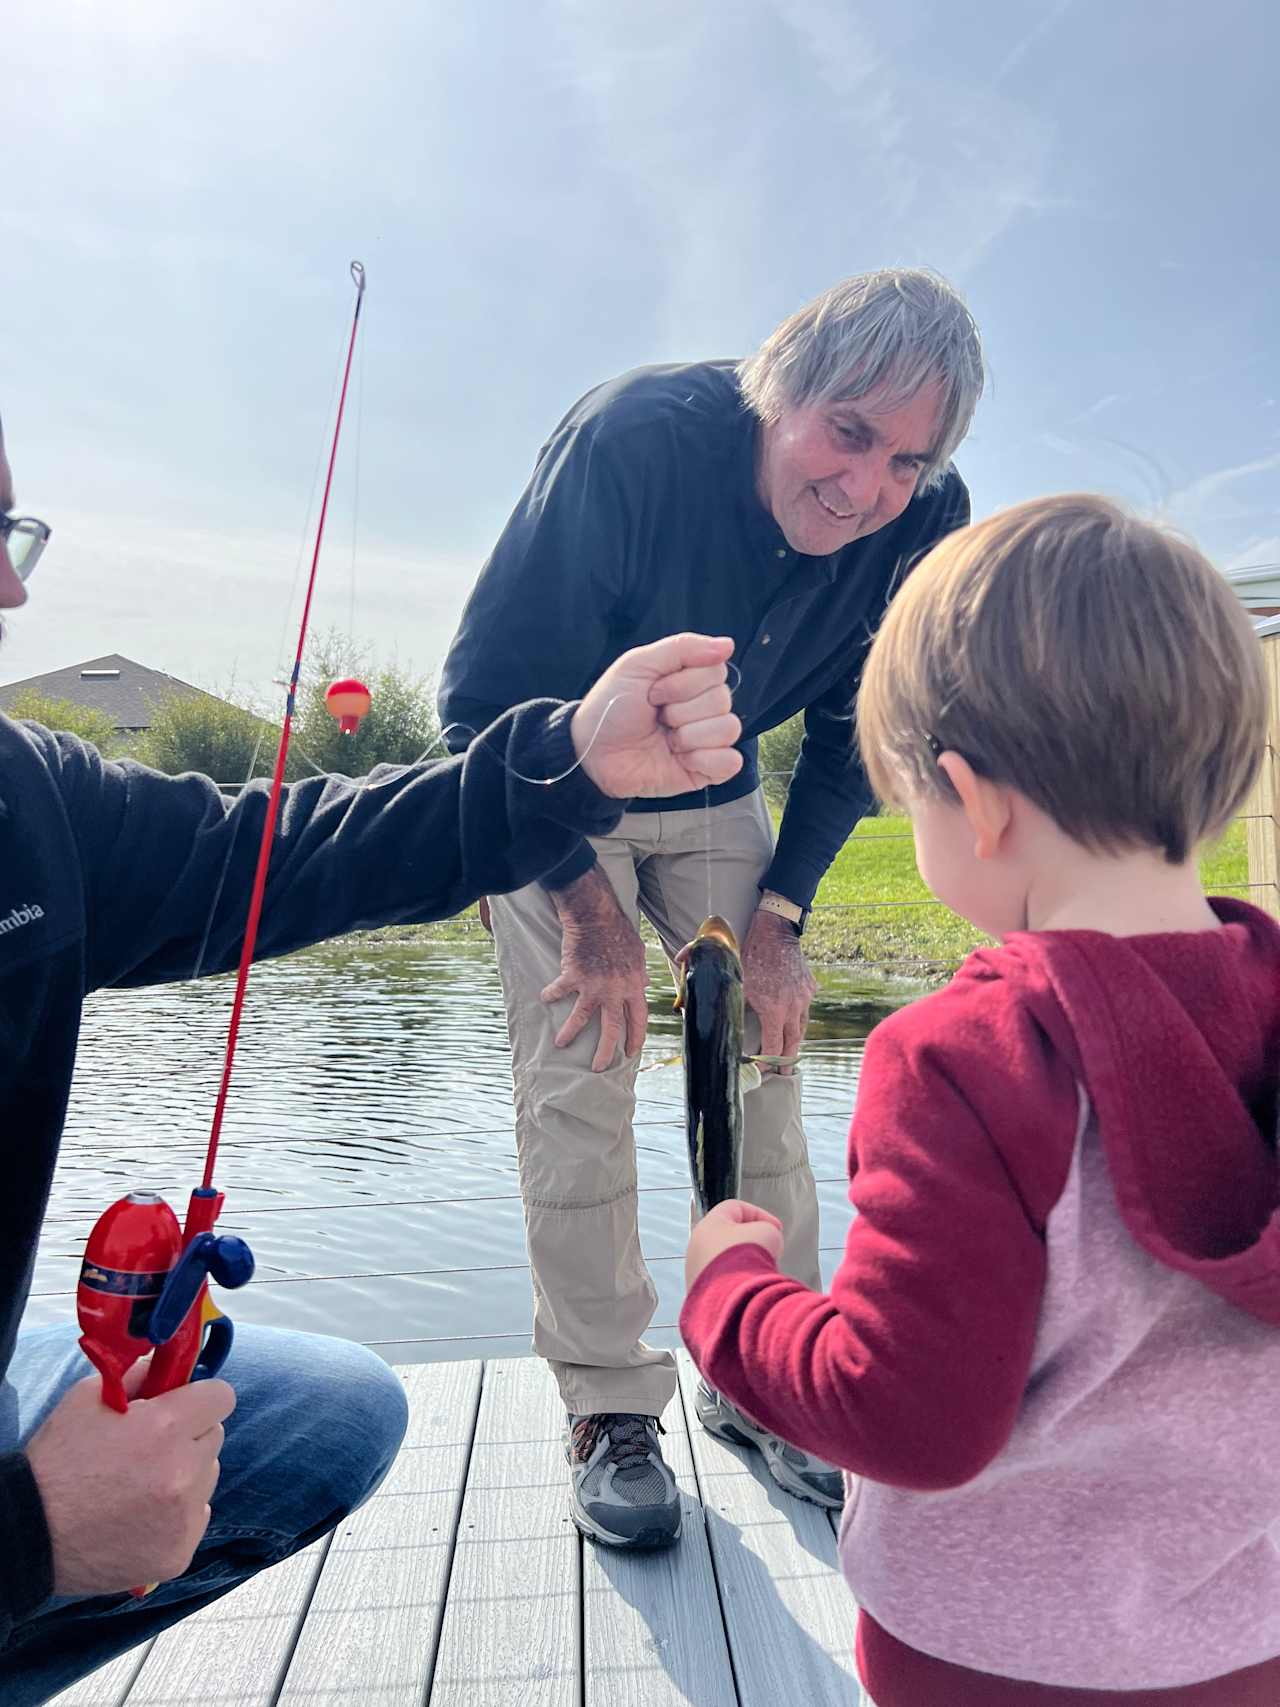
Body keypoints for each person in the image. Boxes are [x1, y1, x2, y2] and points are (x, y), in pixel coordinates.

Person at [0, 414, 744, 1705]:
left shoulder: (27, 801)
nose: (15, 582)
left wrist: (558, 764)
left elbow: (277, 848)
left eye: (14, 531)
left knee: (337, 1414)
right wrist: (24, 1533)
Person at [681, 493, 1280, 1706]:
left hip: (982, 1661)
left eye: (910, 806)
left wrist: (727, 1299)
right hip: (1242, 1637)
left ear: (976, 799)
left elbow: (909, 1417)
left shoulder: (964, 1055)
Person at [438, 267, 984, 1546]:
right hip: (548, 777)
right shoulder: (629, 441)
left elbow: (859, 733)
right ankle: (609, 1402)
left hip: (716, 784)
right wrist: (583, 909)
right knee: (584, 1064)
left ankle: (763, 1369)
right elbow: (477, 705)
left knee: (762, 1063)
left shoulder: (927, 516)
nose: (865, 488)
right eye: (847, 431)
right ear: (776, 389)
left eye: (904, 460)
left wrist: (783, 918)